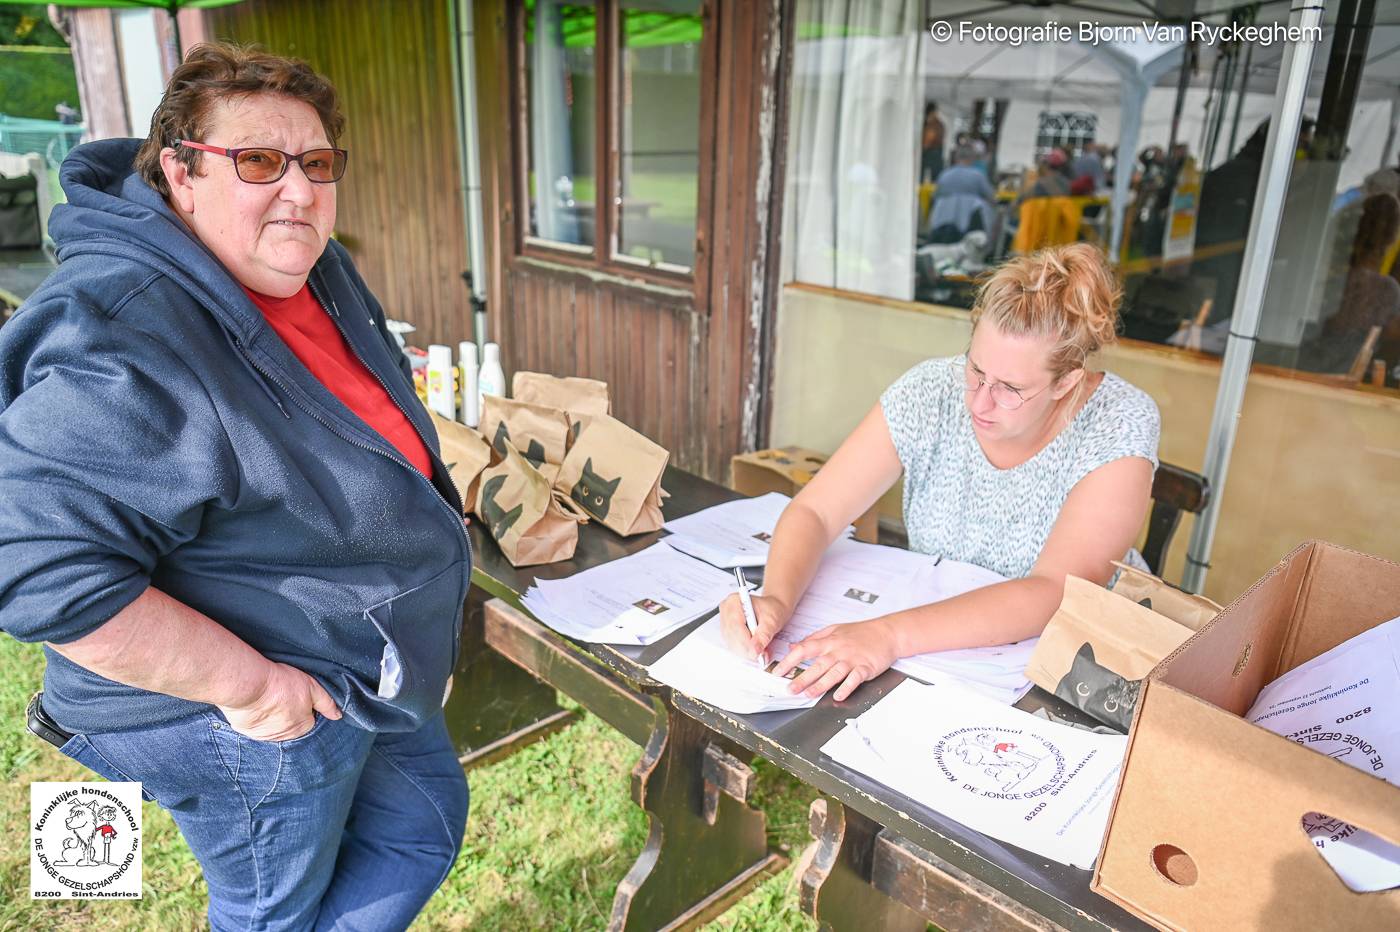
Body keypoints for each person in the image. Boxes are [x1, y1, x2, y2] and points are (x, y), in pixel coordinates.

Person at [0, 43, 471, 929]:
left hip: (356, 663)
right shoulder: (125, 327)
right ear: (180, 171)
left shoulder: (303, 264)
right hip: (248, 712)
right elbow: (35, 569)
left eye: (318, 163)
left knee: (422, 824)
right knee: (271, 910)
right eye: (258, 160)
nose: (299, 190)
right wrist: (254, 690)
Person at [719, 244, 1159, 702]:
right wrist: (775, 597)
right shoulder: (932, 390)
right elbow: (816, 511)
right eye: (976, 368)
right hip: (941, 652)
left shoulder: (1118, 421)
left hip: (1075, 673)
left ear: (1066, 382)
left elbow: (1055, 591)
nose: (979, 401)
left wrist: (887, 636)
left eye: (1011, 389)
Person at [928, 144, 995, 244]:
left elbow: (935, 196)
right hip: (969, 223)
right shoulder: (977, 175)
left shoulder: (945, 174)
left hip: (943, 220)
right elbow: (990, 196)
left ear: (956, 158)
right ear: (972, 158)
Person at [920, 102, 946, 184]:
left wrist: (923, 148)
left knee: (929, 177)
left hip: (931, 153)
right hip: (936, 153)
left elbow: (928, 139)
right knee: (936, 178)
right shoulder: (939, 124)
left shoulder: (933, 124)